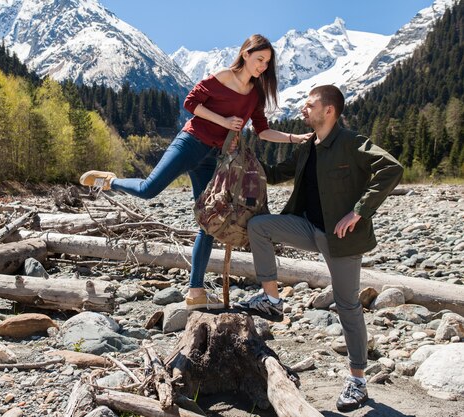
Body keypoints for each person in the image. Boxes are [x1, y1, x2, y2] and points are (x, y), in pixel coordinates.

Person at [79, 34, 311, 310]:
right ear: (246, 54)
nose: (263, 66)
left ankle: (195, 291)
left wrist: (295, 139)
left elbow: (263, 131)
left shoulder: (256, 95)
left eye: (267, 62)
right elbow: (190, 103)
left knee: (209, 221)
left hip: (214, 157)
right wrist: (223, 121)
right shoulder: (222, 77)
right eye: (259, 59)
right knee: (149, 189)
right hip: (190, 143)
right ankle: (111, 181)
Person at [235, 84, 403, 411]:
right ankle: (271, 299)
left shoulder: (352, 143)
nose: (304, 109)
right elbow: (276, 174)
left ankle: (357, 381)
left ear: (329, 111)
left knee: (347, 306)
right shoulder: (309, 145)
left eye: (309, 104)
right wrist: (240, 155)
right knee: (259, 226)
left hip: (341, 239)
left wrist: (360, 211)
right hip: (308, 227)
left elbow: (391, 169)